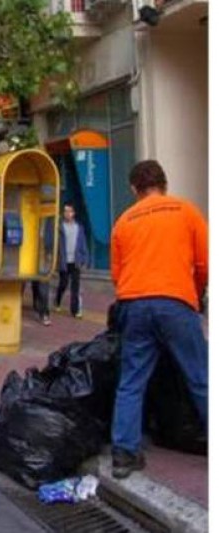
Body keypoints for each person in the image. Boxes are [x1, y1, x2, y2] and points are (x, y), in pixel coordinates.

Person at [109, 160, 208, 479]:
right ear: (164, 184)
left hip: (134, 305)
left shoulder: (124, 221)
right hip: (175, 302)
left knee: (131, 381)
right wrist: (193, 293)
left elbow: (117, 274)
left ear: (134, 189)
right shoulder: (186, 211)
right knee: (201, 378)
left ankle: (124, 454)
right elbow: (205, 262)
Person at [54, 202, 88, 318]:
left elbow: (83, 244)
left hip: (76, 261)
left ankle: (75, 311)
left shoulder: (79, 228)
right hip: (64, 261)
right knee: (63, 283)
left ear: (73, 213)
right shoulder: (60, 227)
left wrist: (84, 259)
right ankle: (57, 300)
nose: (67, 214)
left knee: (75, 287)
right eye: (65, 211)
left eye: (69, 211)